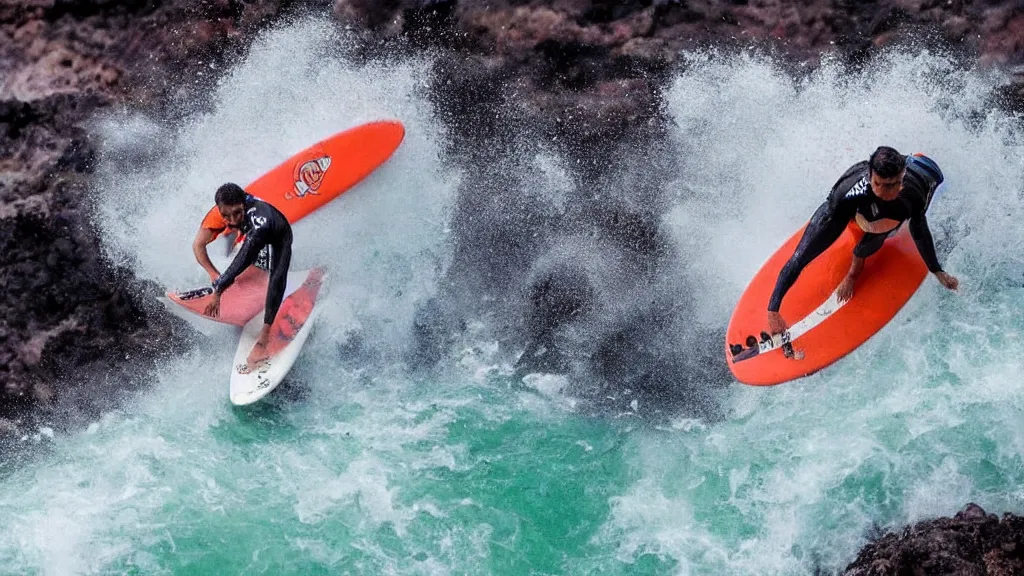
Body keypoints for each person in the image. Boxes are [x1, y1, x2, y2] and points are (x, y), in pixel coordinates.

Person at [766, 146, 959, 336]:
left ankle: (854, 271)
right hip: (858, 200)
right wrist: (773, 310)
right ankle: (860, 223)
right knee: (807, 252)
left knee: (882, 227)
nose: (883, 191)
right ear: (870, 174)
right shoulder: (848, 192)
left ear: (901, 178)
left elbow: (919, 231)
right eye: (878, 183)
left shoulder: (912, 194)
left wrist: (937, 270)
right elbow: (799, 257)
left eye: (891, 185)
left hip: (932, 176)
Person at [192, 183, 293, 365]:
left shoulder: (258, 226)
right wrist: (215, 275)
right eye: (226, 215)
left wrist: (219, 289)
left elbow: (243, 259)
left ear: (244, 204)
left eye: (237, 213)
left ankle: (264, 338)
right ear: (219, 210)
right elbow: (198, 245)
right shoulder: (221, 213)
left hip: (276, 234)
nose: (231, 219)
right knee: (235, 237)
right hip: (247, 234)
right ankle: (233, 241)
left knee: (275, 278)